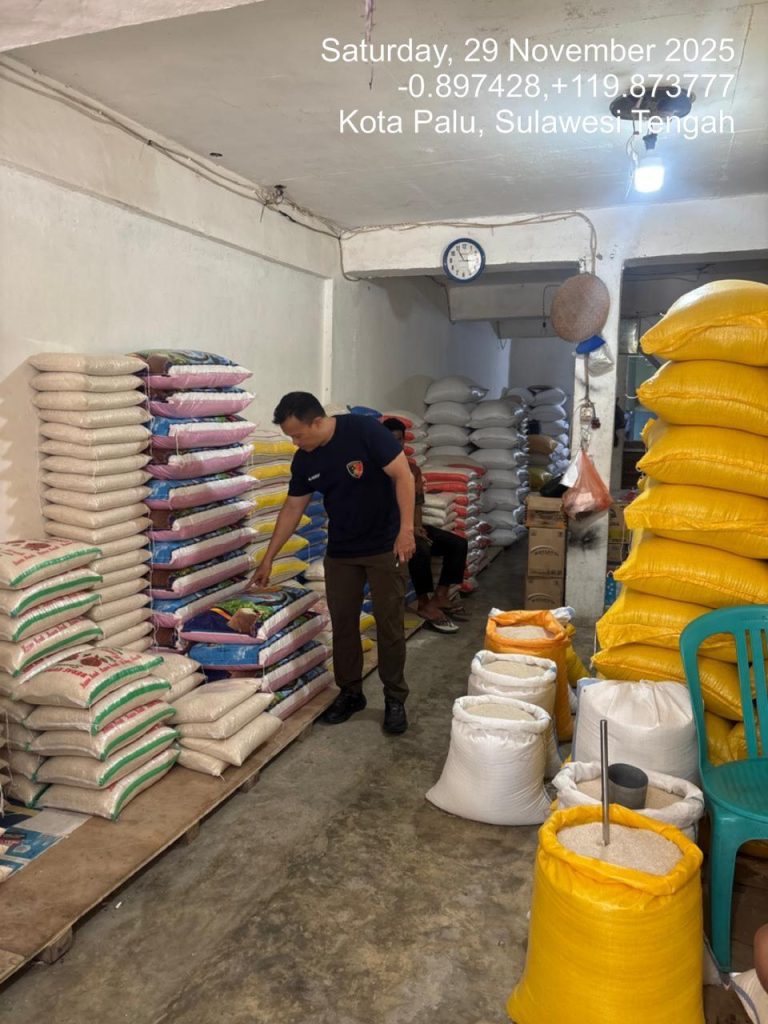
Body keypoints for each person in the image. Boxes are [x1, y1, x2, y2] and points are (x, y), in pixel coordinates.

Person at [251, 394, 416, 735]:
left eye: (297, 435)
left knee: (389, 625)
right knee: (343, 626)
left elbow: (404, 476)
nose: (295, 443)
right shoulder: (305, 460)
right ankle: (351, 692)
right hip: (341, 551)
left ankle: (394, 698)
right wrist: (268, 558)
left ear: (317, 422)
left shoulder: (364, 431)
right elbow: (292, 508)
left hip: (385, 546)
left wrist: (406, 531)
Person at [382, 418, 469, 634]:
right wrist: (407, 531)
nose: (395, 444)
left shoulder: (412, 470)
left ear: (404, 441)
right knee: (419, 548)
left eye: (399, 440)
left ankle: (440, 595)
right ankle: (423, 603)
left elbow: (417, 503)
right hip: (389, 530)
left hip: (410, 526)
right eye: (390, 440)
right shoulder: (378, 470)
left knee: (457, 544)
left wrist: (417, 526)